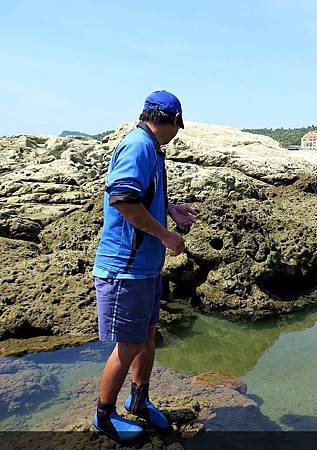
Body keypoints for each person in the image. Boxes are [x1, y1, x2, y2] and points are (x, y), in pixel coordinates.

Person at [91, 90, 197, 443]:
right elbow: (122, 199)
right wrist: (166, 235)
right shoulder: (138, 145)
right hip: (125, 269)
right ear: (171, 120)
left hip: (146, 268)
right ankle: (103, 416)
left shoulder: (152, 148)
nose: (177, 133)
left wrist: (170, 208)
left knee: (147, 336)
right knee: (129, 344)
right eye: (178, 126)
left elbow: (143, 195)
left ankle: (138, 401)